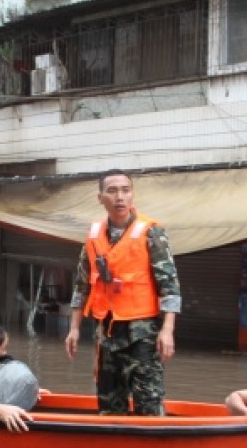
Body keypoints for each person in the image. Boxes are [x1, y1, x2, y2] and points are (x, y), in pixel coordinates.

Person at [63, 170, 181, 416]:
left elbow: (169, 285)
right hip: (106, 332)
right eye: (112, 191)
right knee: (108, 405)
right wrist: (74, 328)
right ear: (100, 197)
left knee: (148, 404)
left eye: (126, 190)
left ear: (132, 194)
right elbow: (82, 284)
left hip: (143, 334)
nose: (120, 197)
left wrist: (167, 330)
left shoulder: (151, 232)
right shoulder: (94, 235)